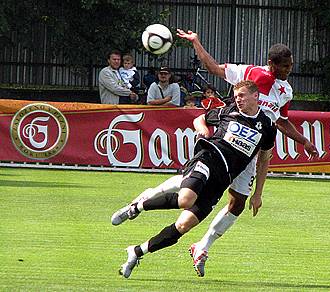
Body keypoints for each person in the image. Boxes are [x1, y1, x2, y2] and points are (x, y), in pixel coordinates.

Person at [174, 29, 319, 277]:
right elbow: (214, 69)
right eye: (285, 66)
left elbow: (282, 121)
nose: (289, 70)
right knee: (199, 191)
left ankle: (202, 246)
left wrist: (304, 141)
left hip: (250, 153)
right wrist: (196, 42)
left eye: (291, 65)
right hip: (226, 144)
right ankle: (150, 205)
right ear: (272, 63)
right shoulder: (250, 73)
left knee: (238, 203)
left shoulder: (286, 91)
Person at [111, 80, 278, 279]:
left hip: (223, 179)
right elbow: (200, 119)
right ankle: (135, 208)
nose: (238, 100)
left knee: (183, 226)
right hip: (208, 158)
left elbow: (264, 159)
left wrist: (258, 194)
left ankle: (137, 252)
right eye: (236, 96)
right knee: (185, 200)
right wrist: (203, 129)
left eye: (242, 96)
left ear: (255, 96)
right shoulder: (228, 111)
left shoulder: (267, 127)